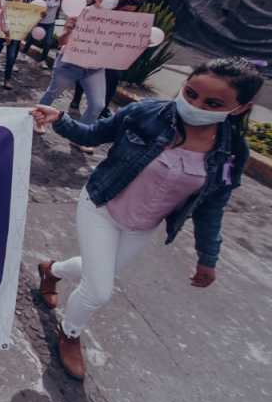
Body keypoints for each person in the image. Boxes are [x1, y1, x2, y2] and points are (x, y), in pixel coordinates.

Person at [30, 57, 262, 381]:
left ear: (238, 108)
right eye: (191, 93)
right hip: (101, 205)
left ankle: (50, 270)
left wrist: (208, 258)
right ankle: (70, 334)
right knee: (99, 290)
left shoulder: (232, 151)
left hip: (142, 226)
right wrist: (60, 120)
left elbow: (211, 207)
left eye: (213, 103)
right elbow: (94, 134)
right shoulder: (146, 114)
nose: (195, 105)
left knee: (98, 270)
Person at [39, 0, 122, 153]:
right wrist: (68, 30)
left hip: (95, 68)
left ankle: (79, 136)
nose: (112, 0)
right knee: (52, 93)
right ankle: (38, 120)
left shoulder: (117, 21)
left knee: (98, 105)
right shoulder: (82, 14)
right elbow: (61, 42)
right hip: (70, 65)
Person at [1, 0, 34, 90]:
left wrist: (23, 36)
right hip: (1, 32)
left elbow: (28, 17)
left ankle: (7, 79)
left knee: (11, 57)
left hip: (16, 33)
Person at [30, 0, 64, 68]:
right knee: (32, 38)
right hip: (41, 22)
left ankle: (42, 60)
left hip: (50, 23)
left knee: (48, 42)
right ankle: (23, 52)